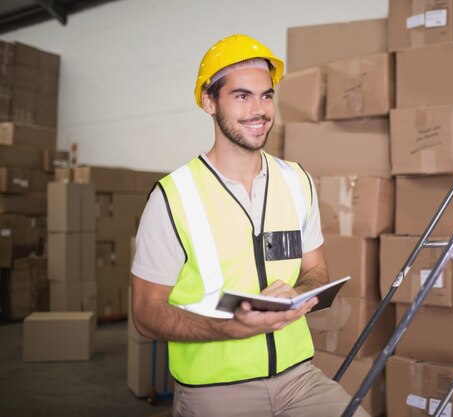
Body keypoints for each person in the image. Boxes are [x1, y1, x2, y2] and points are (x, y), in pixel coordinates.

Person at [131, 34, 369, 417]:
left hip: (299, 380)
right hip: (215, 392)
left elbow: (315, 269)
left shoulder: (297, 181)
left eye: (266, 95)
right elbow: (146, 313)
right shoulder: (173, 196)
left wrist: (297, 293)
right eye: (242, 96)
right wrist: (227, 329)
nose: (259, 110)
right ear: (210, 102)